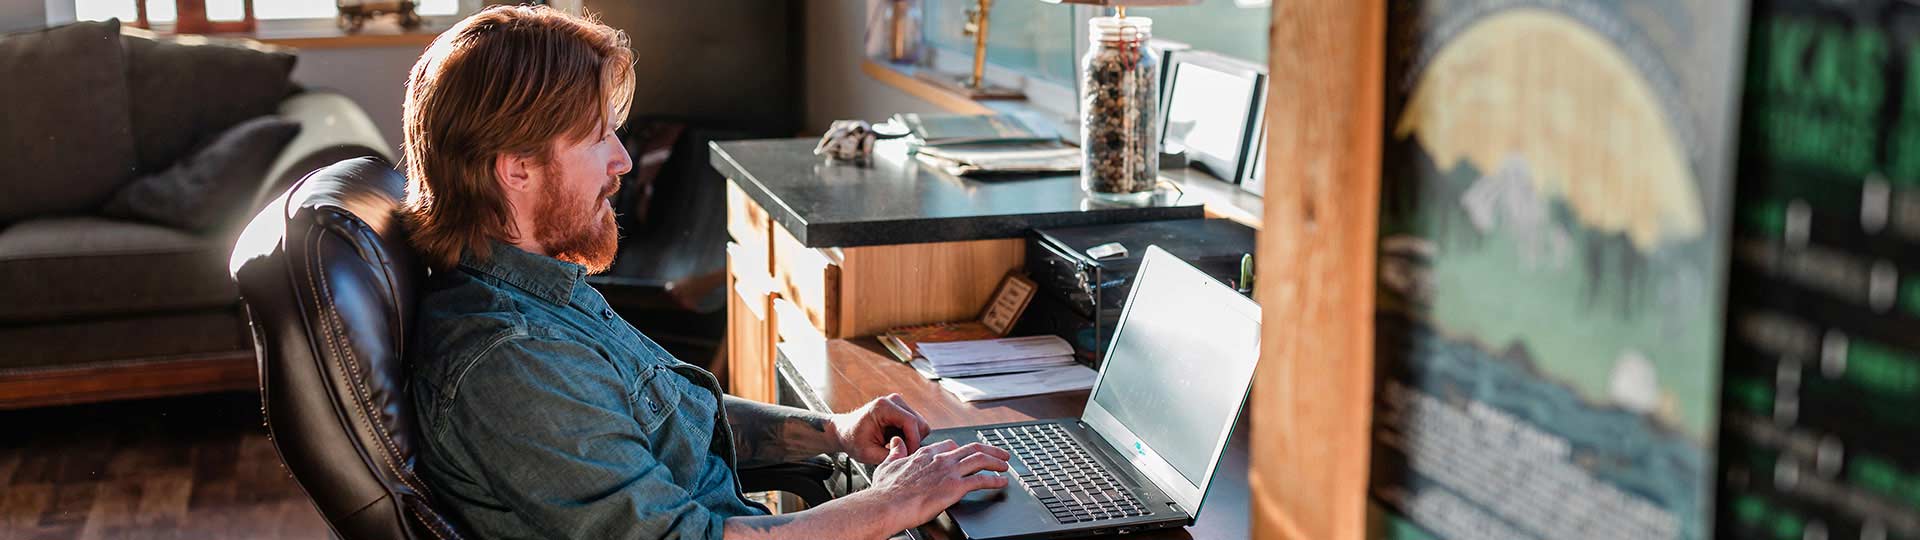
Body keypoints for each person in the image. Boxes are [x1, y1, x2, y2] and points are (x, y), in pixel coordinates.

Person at [400, 6, 1009, 539]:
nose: (623, 160)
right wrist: (892, 502)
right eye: (596, 138)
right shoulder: (515, 361)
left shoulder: (539, 292)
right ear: (517, 169)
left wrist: (834, 431)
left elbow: (672, 419)